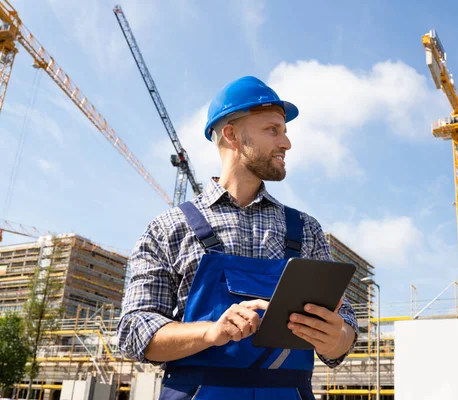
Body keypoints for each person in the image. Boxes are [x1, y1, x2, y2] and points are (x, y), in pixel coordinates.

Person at [117, 76, 358, 400]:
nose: (286, 143)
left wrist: (336, 338)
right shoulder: (168, 230)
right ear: (231, 134)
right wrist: (212, 331)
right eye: (273, 130)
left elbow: (345, 327)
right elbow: (133, 333)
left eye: (285, 132)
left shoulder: (306, 230)